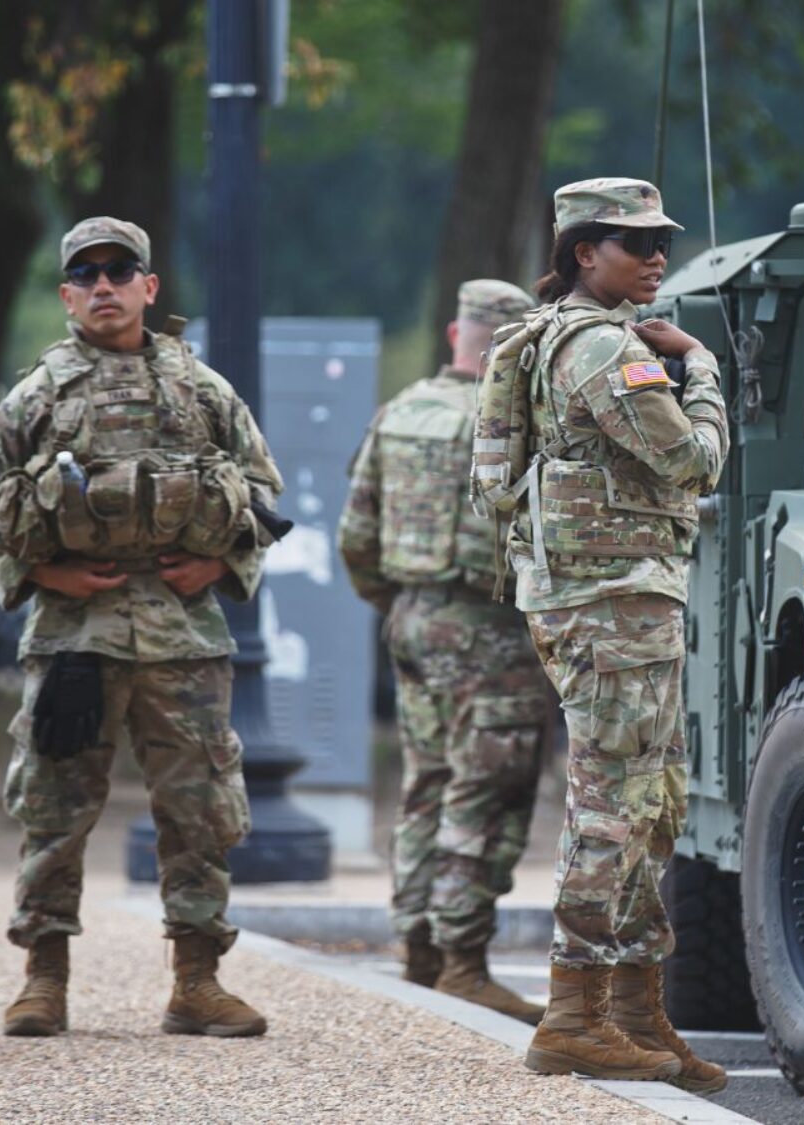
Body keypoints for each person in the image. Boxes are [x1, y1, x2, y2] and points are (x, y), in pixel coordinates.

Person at [0, 217, 285, 1040]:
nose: (104, 286)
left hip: (184, 635)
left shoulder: (202, 388)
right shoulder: (38, 392)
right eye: (86, 274)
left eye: (119, 270)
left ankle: (198, 980)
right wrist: (38, 575)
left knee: (202, 810)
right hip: (75, 633)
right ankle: (43, 976)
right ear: (67, 294)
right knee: (55, 809)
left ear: (149, 286)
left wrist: (221, 565)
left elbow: (262, 491)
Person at [500, 178, 728, 1091]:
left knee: (653, 795)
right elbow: (693, 461)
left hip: (613, 598)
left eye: (659, 240)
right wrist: (701, 367)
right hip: (612, 603)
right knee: (612, 803)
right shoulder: (601, 348)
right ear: (582, 252)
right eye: (632, 243)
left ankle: (634, 1007)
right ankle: (571, 1013)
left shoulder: (573, 335)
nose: (656, 256)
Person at [337, 279, 560, 1022]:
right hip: (489, 627)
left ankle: (419, 948)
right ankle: (464, 959)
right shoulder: (513, 420)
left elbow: (356, 536)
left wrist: (399, 603)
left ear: (453, 332)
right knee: (488, 789)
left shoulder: (399, 412)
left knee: (427, 782)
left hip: (410, 619)